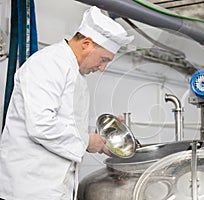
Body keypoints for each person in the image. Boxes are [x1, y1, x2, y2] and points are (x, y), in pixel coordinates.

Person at [0, 6, 133, 200]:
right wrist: (87, 141)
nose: (103, 68)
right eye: (104, 59)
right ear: (87, 43)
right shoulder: (47, 64)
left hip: (55, 186)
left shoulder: (75, 74)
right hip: (29, 188)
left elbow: (68, 126)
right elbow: (41, 125)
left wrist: (103, 139)